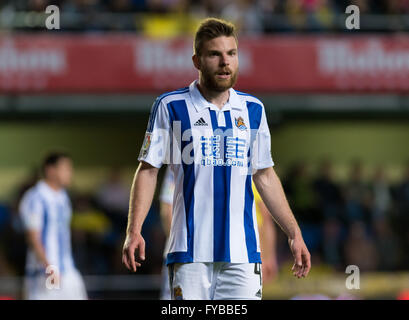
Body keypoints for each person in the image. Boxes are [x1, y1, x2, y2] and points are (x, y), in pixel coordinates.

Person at [122, 17, 310, 300]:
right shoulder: (170, 106)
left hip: (243, 254)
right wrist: (134, 230)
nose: (225, 62)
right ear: (197, 61)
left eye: (231, 54)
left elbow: (264, 175)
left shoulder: (253, 109)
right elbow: (148, 170)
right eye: (215, 54)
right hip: (189, 254)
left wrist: (294, 233)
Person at [158, 165, 278, 299]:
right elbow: (167, 210)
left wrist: (268, 256)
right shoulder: (183, 159)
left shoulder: (243, 166)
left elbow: (265, 218)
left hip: (232, 257)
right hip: (191, 258)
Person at [19, 152, 87, 300]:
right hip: (46, 273)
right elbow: (33, 237)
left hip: (68, 270)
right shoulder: (35, 198)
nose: (70, 173)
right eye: (66, 169)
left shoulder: (63, 197)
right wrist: (49, 267)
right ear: (51, 170)